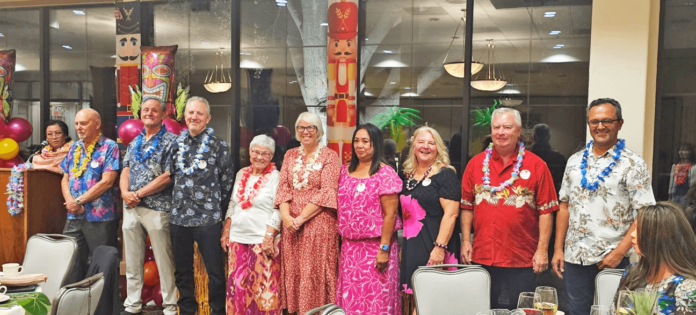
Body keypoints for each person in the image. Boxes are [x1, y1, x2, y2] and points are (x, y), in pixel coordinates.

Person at [552, 98, 656, 315]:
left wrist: (619, 253)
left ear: (620, 123)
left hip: (612, 259)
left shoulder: (633, 164)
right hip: (575, 257)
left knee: (613, 311)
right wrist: (558, 249)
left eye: (607, 120)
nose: (600, 126)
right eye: (594, 122)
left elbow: (644, 213)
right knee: (577, 311)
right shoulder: (574, 161)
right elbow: (564, 206)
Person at [460, 108, 559, 310]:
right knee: (483, 309)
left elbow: (546, 212)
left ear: (519, 131)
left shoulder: (537, 165)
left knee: (521, 311)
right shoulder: (475, 164)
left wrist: (542, 251)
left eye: (507, 127)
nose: (501, 132)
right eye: (496, 127)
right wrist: (464, 241)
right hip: (483, 255)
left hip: (521, 257)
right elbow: (467, 207)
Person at [167, 96, 234, 315]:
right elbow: (171, 176)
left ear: (208, 118)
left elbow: (227, 181)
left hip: (207, 219)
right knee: (182, 270)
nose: (194, 117)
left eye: (199, 113)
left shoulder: (218, 145)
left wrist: (213, 206)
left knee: (215, 271)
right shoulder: (175, 144)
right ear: (184, 116)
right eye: (190, 113)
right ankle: (186, 310)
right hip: (179, 219)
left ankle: (217, 311)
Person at [275, 111, 340, 314]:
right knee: (296, 271)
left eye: (310, 127)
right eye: (301, 128)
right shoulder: (290, 154)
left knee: (315, 271)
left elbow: (328, 191)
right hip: (291, 227)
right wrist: (286, 218)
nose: (305, 132)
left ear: (318, 130)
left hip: (317, 223)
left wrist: (301, 218)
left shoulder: (330, 156)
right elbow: (283, 188)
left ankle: (319, 311)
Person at [336, 123, 402, 314]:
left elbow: (391, 214)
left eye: (365, 141)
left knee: (376, 301)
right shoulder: (344, 172)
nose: (360, 145)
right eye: (356, 141)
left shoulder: (384, 173)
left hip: (376, 248)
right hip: (350, 249)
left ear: (376, 145)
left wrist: (384, 249)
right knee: (351, 301)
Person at [120, 98, 178, 315]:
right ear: (140, 114)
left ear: (164, 114)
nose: (150, 113)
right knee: (133, 260)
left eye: (155, 110)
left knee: (164, 260)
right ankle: (132, 304)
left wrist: (138, 194)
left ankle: (171, 306)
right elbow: (125, 170)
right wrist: (126, 193)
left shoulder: (173, 141)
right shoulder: (134, 142)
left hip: (158, 207)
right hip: (131, 208)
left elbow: (168, 176)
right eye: (146, 110)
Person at [221, 134, 281, 315]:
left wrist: (269, 236)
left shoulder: (275, 176)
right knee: (237, 287)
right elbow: (233, 204)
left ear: (271, 156)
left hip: (262, 240)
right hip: (237, 238)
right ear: (249, 152)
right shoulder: (241, 173)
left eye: (265, 153)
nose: (260, 157)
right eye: (256, 152)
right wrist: (226, 231)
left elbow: (278, 208)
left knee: (263, 290)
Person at [399, 126, 461, 298]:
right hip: (413, 248)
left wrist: (439, 248)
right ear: (413, 146)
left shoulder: (445, 174)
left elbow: (451, 214)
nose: (425, 146)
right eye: (421, 142)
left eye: (431, 143)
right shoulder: (408, 176)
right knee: (415, 299)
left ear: (438, 148)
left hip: (437, 247)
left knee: (434, 300)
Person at [60, 108, 120, 283]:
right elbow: (65, 178)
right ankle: (73, 303)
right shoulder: (74, 147)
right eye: (77, 123)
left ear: (97, 124)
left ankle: (102, 307)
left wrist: (79, 201)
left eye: (83, 123)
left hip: (100, 216)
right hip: (73, 214)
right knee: (71, 261)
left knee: (101, 264)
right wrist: (71, 202)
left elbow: (108, 181)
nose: (79, 127)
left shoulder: (110, 146)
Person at [614, 202, 696, 314]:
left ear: (659, 236)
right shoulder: (633, 272)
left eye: (638, 229)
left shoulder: (687, 287)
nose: (632, 234)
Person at [669, 143, 696, 209]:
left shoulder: (693, 167)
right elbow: (671, 182)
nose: (682, 152)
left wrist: (689, 196)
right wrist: (670, 194)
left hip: (686, 195)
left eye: (685, 150)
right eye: (680, 150)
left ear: (690, 152)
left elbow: (693, 184)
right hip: (675, 193)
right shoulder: (675, 166)